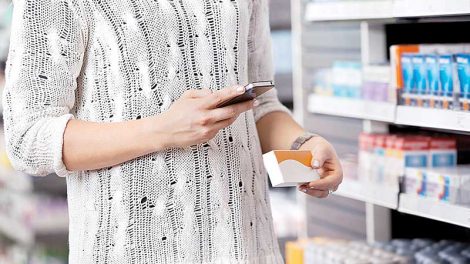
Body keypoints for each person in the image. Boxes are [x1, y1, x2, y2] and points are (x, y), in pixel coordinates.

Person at [3, 0, 342, 263]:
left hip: (247, 246)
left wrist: (303, 143)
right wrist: (163, 130)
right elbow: (28, 138)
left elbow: (259, 103)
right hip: (131, 250)